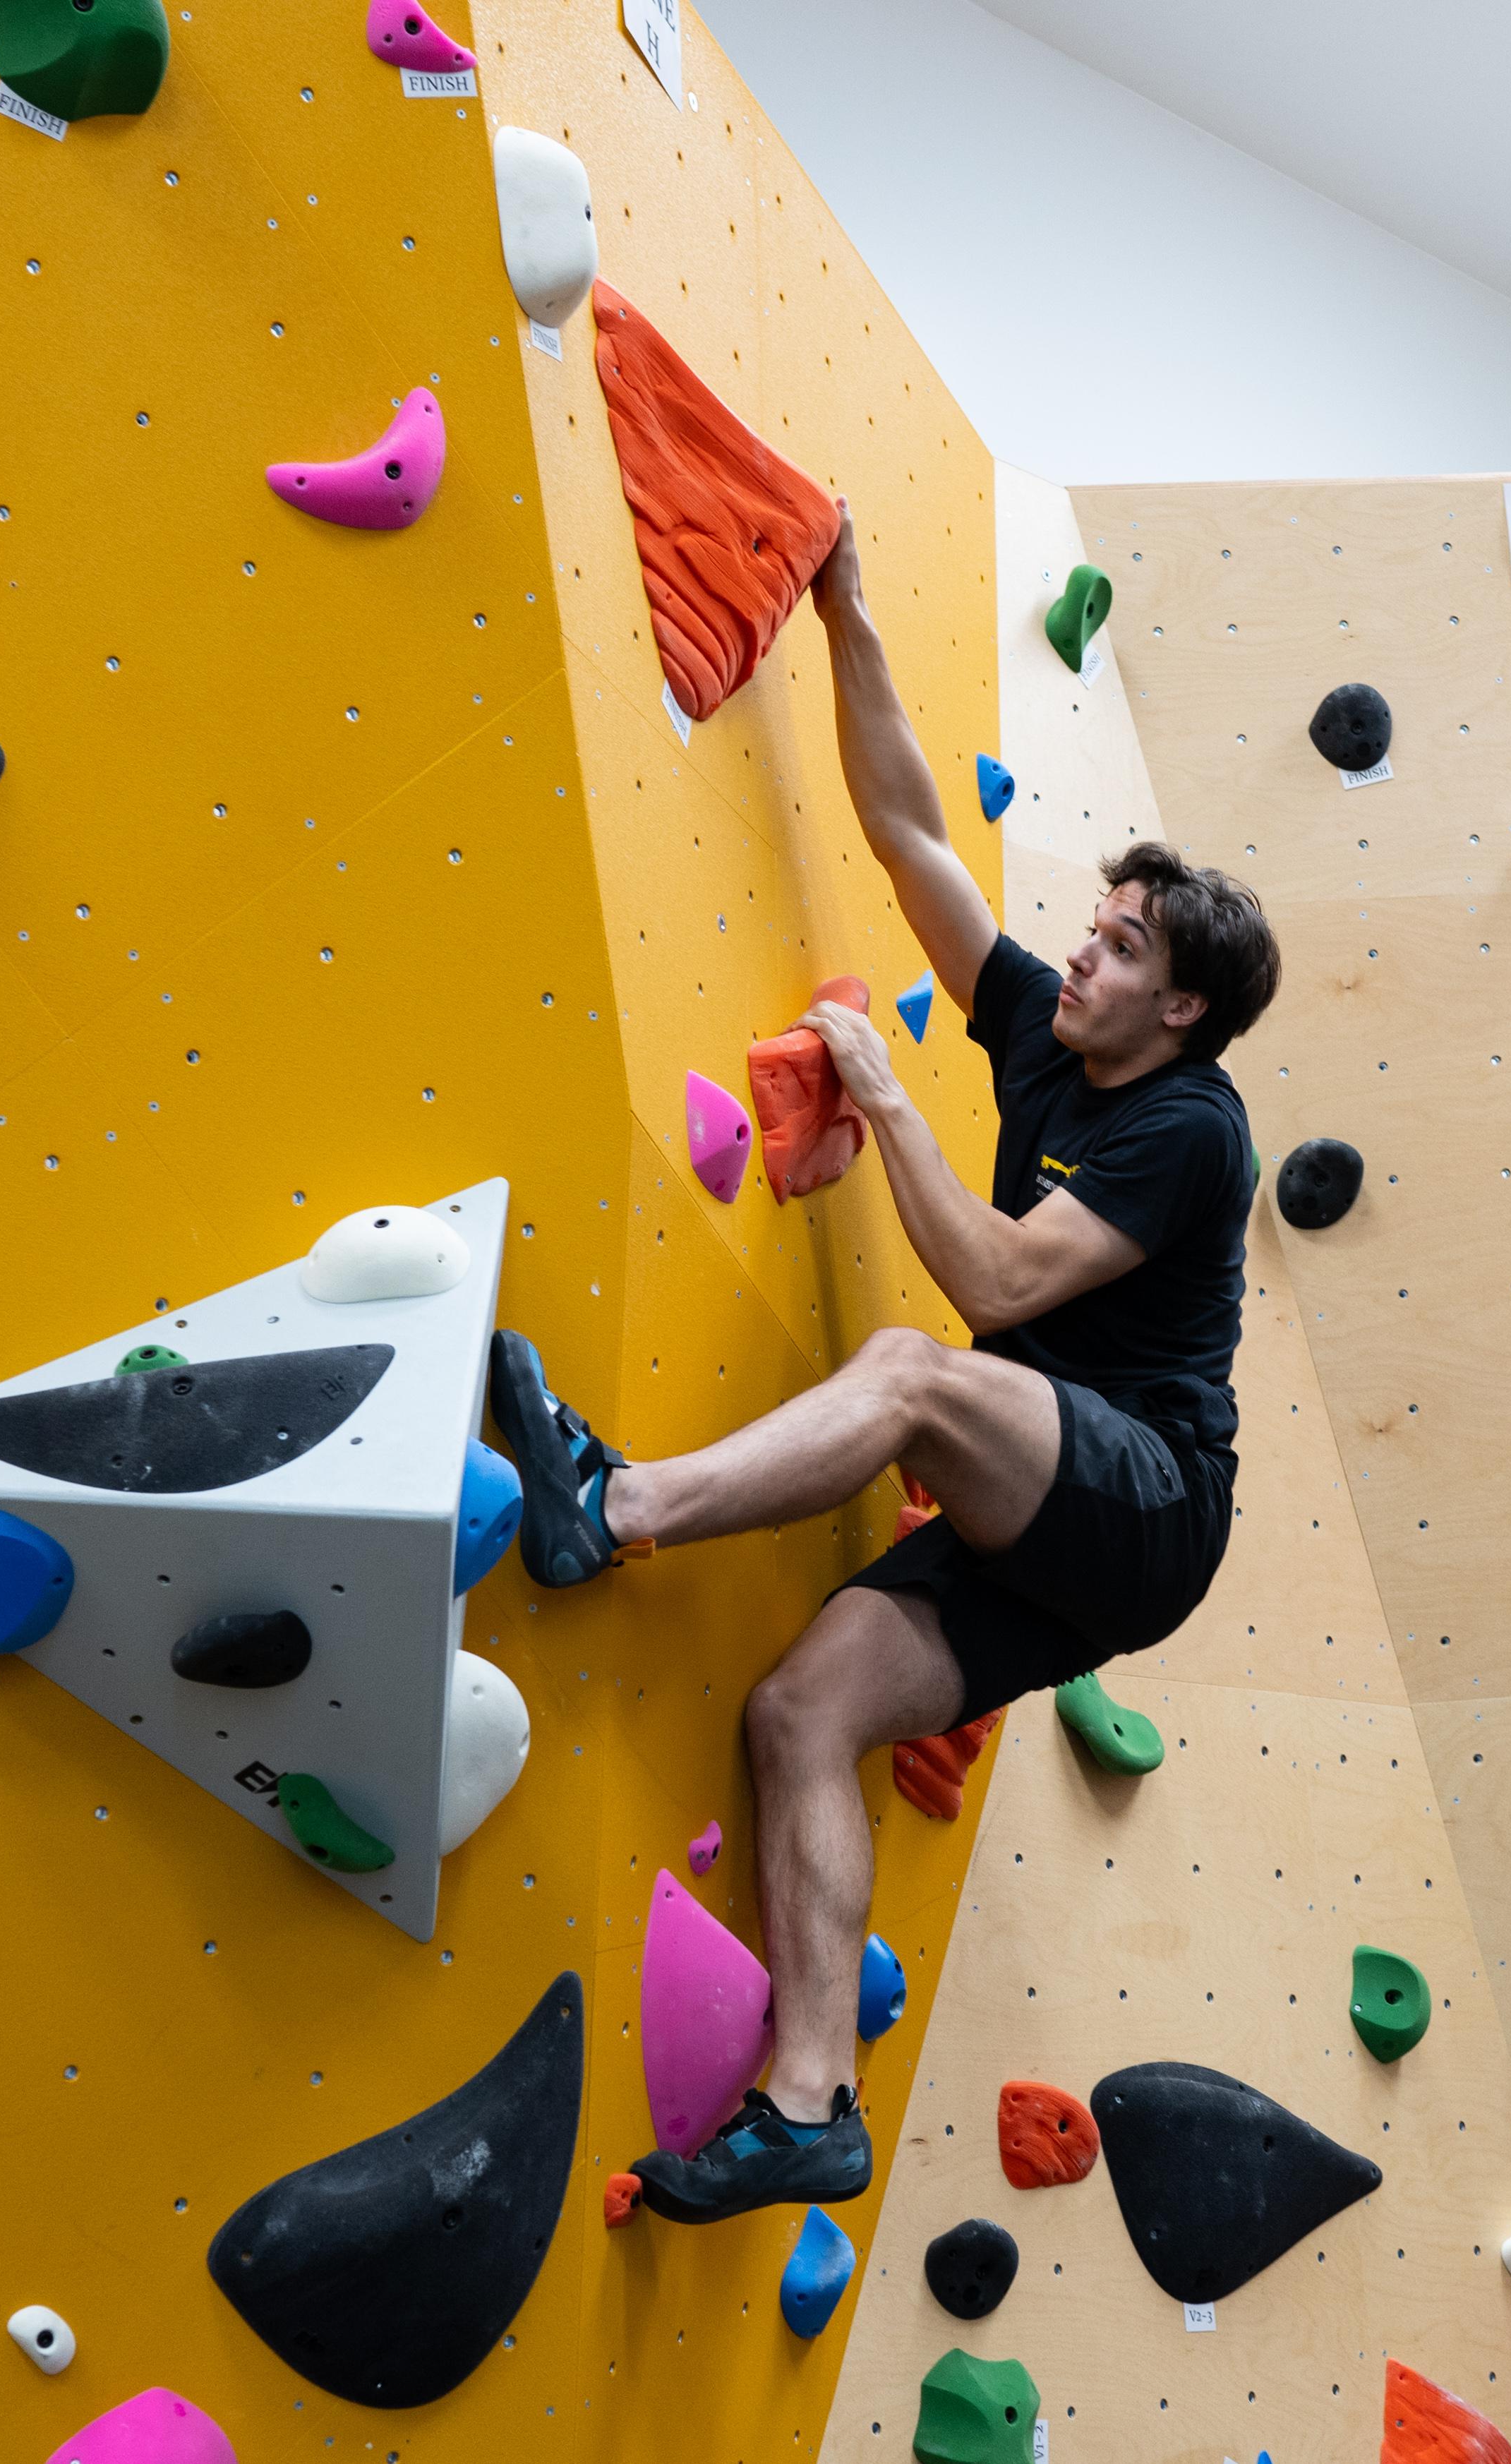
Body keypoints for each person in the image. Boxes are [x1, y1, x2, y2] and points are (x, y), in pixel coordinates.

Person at [485, 505, 1280, 2225]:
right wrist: (846, 607)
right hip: (1052, 1534)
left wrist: (894, 1092)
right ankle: (808, 2106)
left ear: (1188, 1015)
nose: (1081, 953)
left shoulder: (1193, 1134)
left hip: (1147, 1502)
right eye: (1096, 926)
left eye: (1124, 950)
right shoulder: (1052, 1037)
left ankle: (605, 1508)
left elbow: (997, 1285)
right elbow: (908, 818)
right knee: (802, 1710)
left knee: (920, 1369)